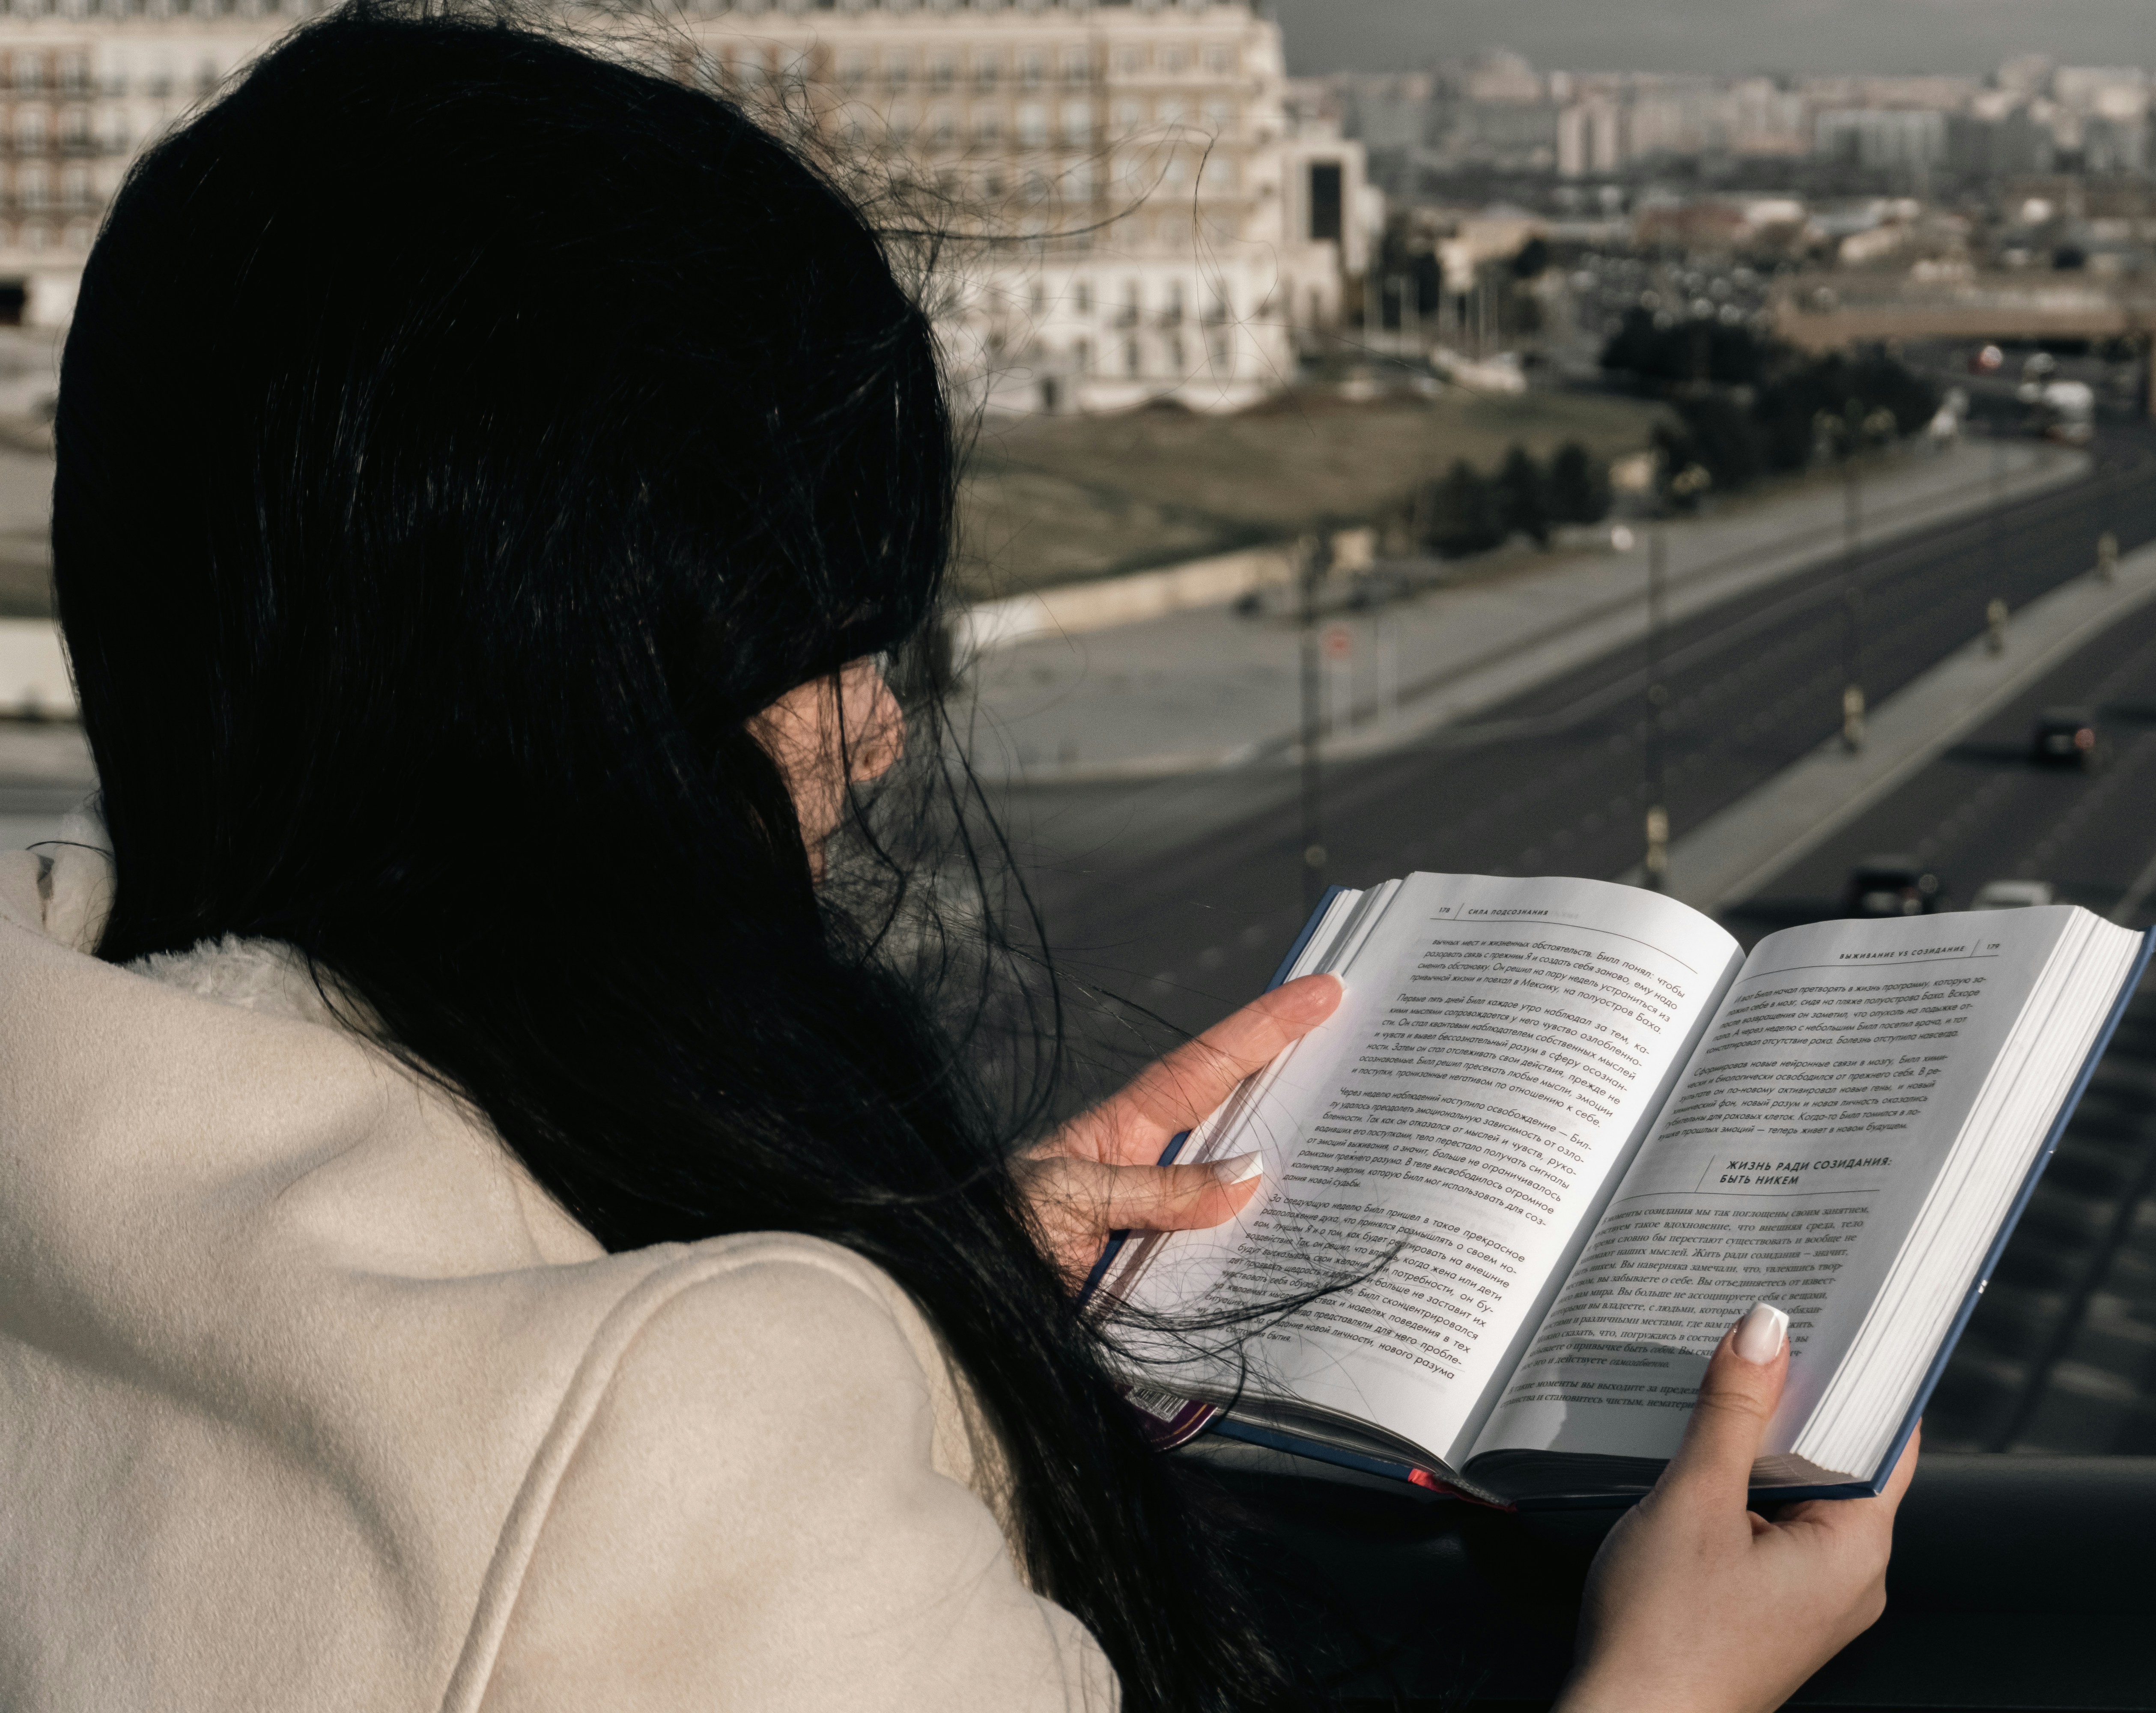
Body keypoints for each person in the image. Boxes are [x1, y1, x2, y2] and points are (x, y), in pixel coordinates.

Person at [0, 7, 1911, 1710]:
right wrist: (1667, 1689)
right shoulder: (669, 1450)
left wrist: (938, 1300)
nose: (877, 726)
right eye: (808, 643)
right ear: (561, 695)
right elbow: (604, 1532)